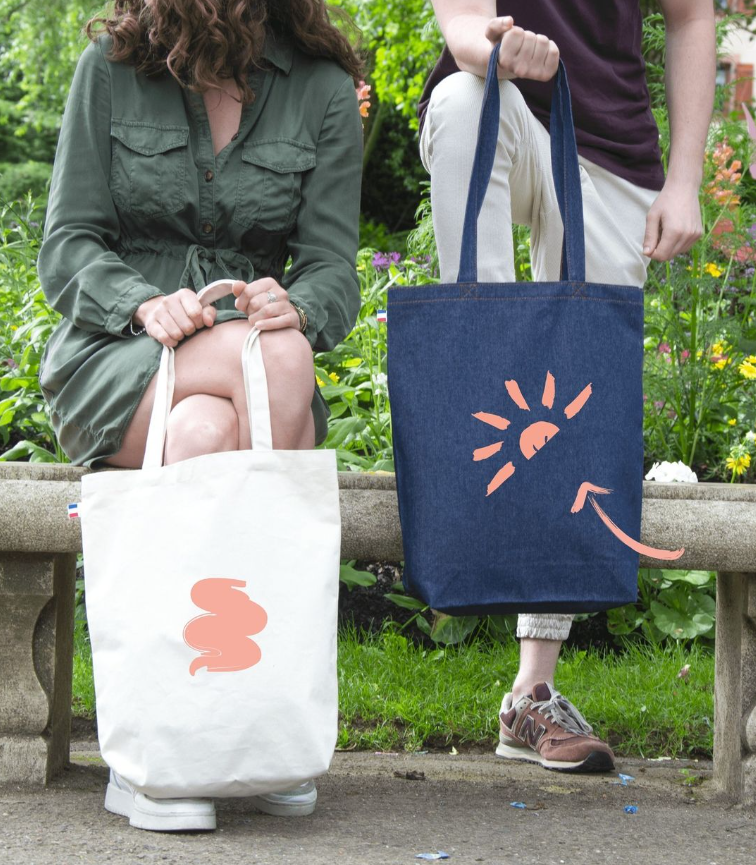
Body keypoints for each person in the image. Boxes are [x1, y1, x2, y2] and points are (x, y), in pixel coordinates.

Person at [38, 0, 363, 831]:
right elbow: (69, 242)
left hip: (243, 384)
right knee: (278, 363)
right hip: (116, 355)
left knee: (207, 430)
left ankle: (173, 752)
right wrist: (142, 303)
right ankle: (253, 730)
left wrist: (295, 302)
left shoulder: (322, 87)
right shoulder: (108, 75)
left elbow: (332, 268)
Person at [419, 0, 715, 771]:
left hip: (609, 142)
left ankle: (531, 694)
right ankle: (480, 362)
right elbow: (460, 31)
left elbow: (690, 17)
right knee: (458, 99)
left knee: (575, 405)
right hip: (501, 108)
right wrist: (498, 51)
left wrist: (684, 180)